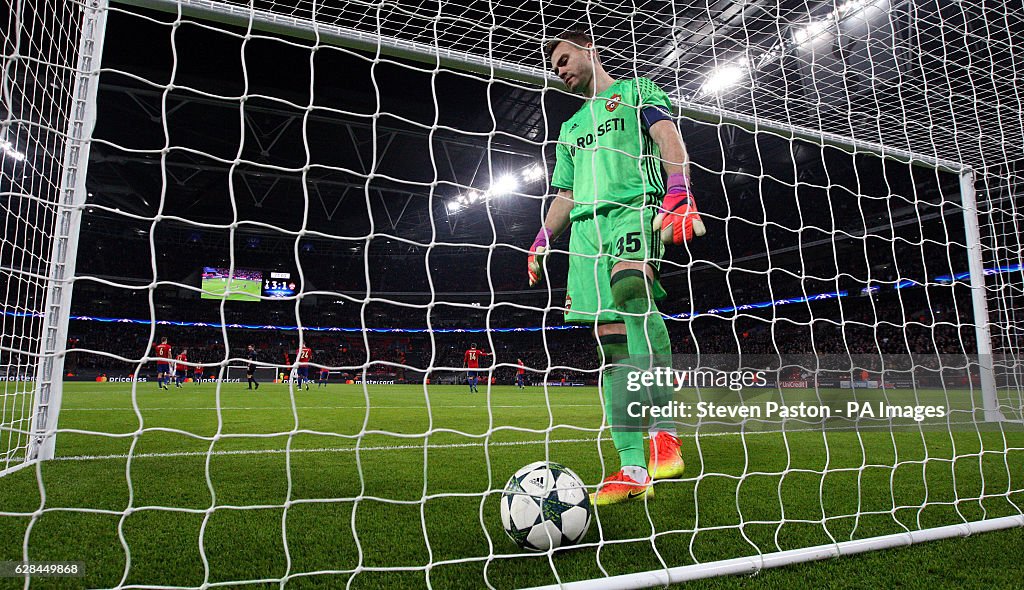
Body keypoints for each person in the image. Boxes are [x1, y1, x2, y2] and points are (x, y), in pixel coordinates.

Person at [530, 28, 702, 505]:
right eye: (554, 67)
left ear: (590, 50)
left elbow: (668, 135)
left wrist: (678, 191)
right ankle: (630, 466)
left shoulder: (636, 91)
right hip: (586, 234)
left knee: (632, 291)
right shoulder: (568, 129)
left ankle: (663, 438)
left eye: (563, 59)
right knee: (611, 350)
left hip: (634, 210)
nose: (558, 70)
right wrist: (544, 237)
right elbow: (564, 193)